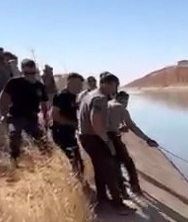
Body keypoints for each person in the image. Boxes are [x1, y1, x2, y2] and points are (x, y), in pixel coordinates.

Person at [78, 72, 130, 212]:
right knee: (110, 169)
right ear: (108, 84)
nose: (116, 90)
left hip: (86, 136)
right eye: (115, 86)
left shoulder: (89, 95)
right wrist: (108, 142)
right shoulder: (100, 98)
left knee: (100, 168)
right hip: (94, 138)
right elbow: (96, 123)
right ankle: (118, 204)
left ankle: (102, 198)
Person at [0, 58, 50, 164]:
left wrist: (45, 118)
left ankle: (49, 161)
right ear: (23, 71)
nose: (30, 75)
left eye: (32, 72)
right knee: (15, 135)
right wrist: (3, 113)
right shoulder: (14, 82)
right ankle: (14, 160)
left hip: (32, 117)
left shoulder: (39, 86)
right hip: (16, 116)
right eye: (27, 72)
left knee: (41, 140)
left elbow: (44, 103)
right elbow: (3, 97)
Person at [109, 91, 158, 196]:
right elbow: (132, 126)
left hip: (99, 139)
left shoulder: (107, 105)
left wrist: (119, 128)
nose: (126, 104)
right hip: (112, 138)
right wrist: (147, 139)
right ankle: (134, 187)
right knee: (128, 163)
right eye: (126, 101)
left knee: (114, 165)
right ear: (121, 99)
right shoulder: (121, 108)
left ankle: (120, 191)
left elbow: (107, 124)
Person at [50, 72, 84, 176]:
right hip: (60, 132)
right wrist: (72, 123)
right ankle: (78, 184)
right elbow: (54, 115)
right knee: (74, 160)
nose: (79, 87)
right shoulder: (61, 96)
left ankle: (79, 182)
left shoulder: (76, 97)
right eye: (77, 84)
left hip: (70, 132)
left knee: (78, 162)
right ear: (69, 83)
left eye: (80, 85)